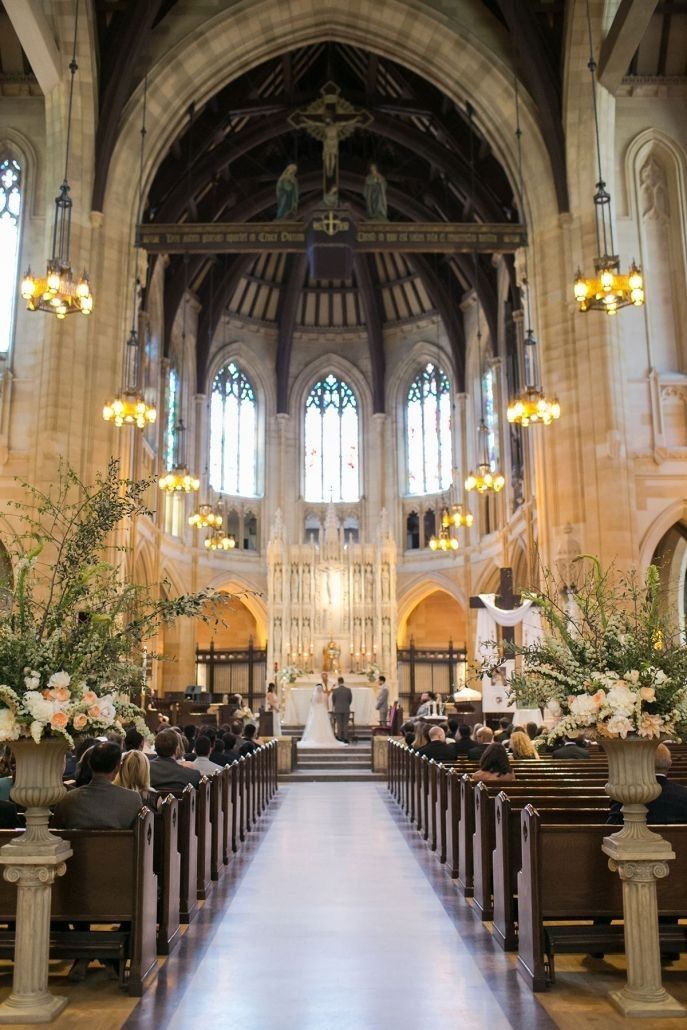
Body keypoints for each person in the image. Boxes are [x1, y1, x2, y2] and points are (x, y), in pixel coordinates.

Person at [52, 742, 143, 829]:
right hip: (120, 845)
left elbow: (56, 832)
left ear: (89, 764)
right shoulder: (132, 799)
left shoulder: (68, 799)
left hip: (77, 845)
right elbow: (140, 836)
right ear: (117, 767)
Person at [608, 744, 687, 824]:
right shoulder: (684, 794)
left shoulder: (625, 796)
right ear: (670, 764)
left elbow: (611, 829)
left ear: (639, 765)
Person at [298, 684, 344, 748]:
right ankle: (325, 738)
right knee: (324, 725)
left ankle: (315, 738)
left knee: (315, 725)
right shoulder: (325, 695)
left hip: (316, 712)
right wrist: (326, 710)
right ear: (322, 689)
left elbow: (312, 705)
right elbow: (327, 706)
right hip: (323, 712)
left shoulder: (314, 695)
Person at [331, 676, 353, 744]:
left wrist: (336, 705)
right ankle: (346, 738)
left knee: (339, 724)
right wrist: (346, 705)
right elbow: (350, 699)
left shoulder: (335, 690)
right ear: (343, 682)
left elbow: (333, 700)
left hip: (338, 709)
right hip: (346, 708)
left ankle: (339, 738)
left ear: (338, 682)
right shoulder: (348, 690)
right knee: (345, 724)